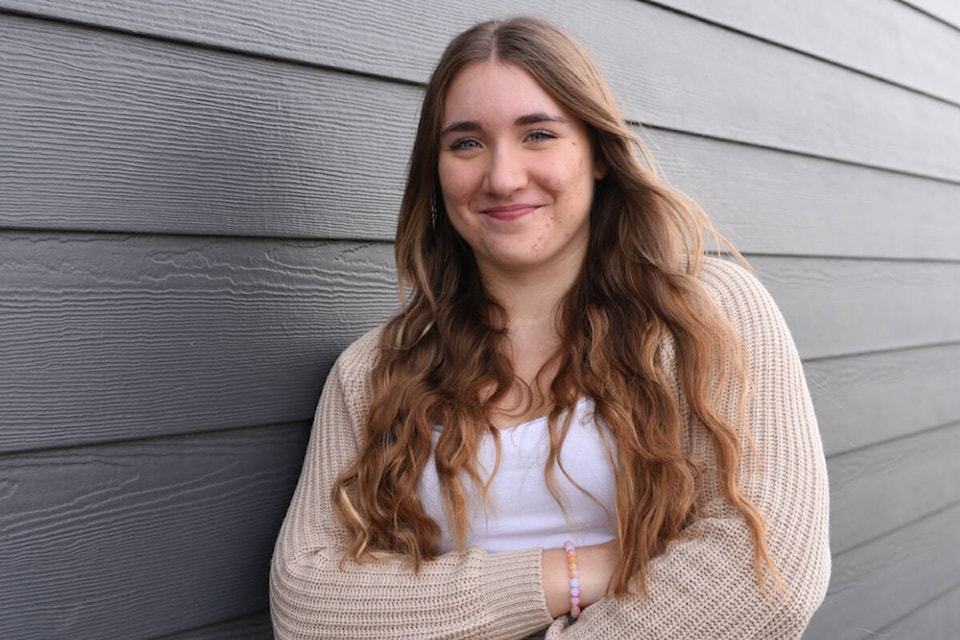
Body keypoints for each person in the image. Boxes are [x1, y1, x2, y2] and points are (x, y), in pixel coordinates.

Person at [270, 15, 830, 639]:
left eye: (537, 134)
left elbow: (765, 569)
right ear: (436, 170)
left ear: (596, 154)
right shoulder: (377, 367)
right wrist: (576, 570)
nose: (503, 176)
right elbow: (306, 602)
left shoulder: (704, 315)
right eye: (466, 142)